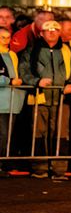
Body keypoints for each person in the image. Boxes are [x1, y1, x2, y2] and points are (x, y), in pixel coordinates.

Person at [22, 20, 71, 179]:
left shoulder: (69, 50)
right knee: (38, 133)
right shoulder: (31, 50)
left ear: (59, 33)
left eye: (55, 29)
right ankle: (39, 168)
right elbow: (24, 70)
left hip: (62, 99)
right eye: (47, 30)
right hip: (39, 98)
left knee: (61, 134)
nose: (51, 32)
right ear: (41, 33)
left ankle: (59, 169)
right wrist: (36, 82)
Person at [0, 28, 25, 158]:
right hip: (2, 101)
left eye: (8, 37)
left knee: (7, 135)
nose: (6, 40)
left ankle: (3, 163)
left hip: (13, 101)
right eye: (2, 37)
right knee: (3, 134)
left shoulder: (13, 55)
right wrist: (9, 81)